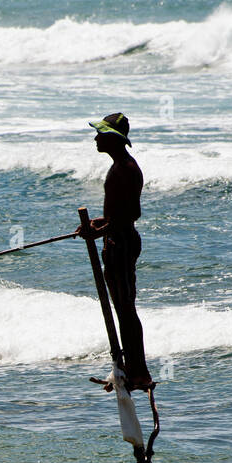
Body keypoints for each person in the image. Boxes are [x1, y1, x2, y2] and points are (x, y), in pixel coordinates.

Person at [78, 112, 153, 392]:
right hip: (116, 240)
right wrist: (101, 223)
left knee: (126, 310)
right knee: (122, 309)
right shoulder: (119, 166)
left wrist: (103, 230)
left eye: (101, 134)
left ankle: (139, 372)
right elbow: (119, 212)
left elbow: (132, 213)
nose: (96, 138)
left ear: (113, 139)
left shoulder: (126, 169)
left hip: (121, 244)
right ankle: (130, 369)